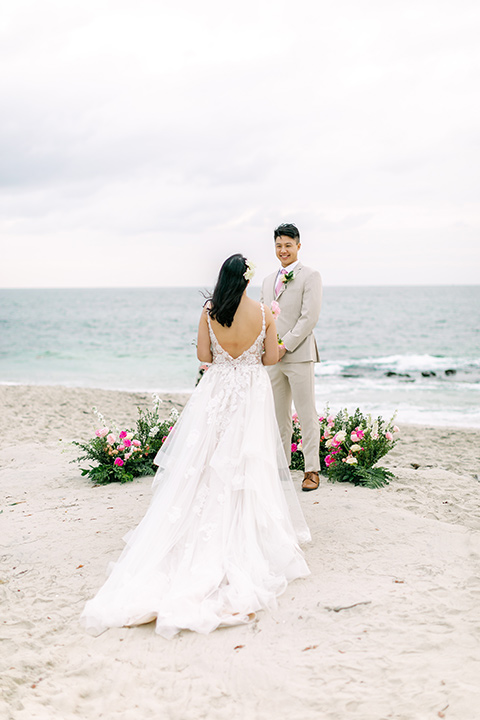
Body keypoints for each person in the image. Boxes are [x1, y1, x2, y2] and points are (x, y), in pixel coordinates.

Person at [80, 254, 310, 639]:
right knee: (245, 462)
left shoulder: (209, 311)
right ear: (248, 281)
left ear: (223, 280)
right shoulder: (264, 313)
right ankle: (246, 532)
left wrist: (225, 354)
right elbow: (270, 357)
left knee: (205, 461)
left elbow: (203, 357)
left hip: (217, 390)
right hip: (250, 392)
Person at [261, 224, 323, 491]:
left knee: (306, 413)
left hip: (298, 354)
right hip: (272, 357)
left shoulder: (310, 276)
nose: (283, 250)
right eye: (278, 245)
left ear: (298, 246)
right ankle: (281, 468)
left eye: (288, 245)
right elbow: (263, 317)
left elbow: (309, 317)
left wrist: (285, 345)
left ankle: (312, 470)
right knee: (278, 414)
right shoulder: (265, 281)